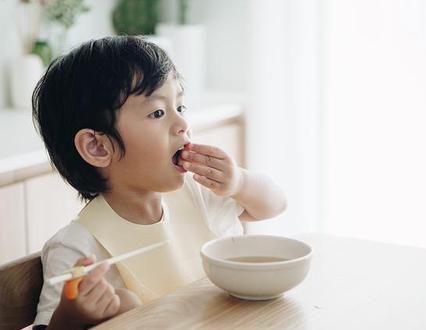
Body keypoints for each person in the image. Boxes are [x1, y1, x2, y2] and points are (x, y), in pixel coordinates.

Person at [31, 36, 287, 329]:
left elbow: (274, 205)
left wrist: (240, 182)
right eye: (157, 113)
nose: (182, 124)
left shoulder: (200, 195)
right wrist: (72, 316)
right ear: (97, 147)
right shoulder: (77, 246)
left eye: (180, 107)